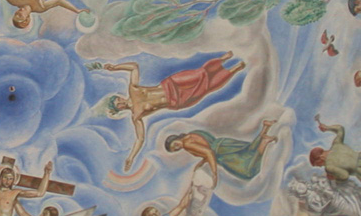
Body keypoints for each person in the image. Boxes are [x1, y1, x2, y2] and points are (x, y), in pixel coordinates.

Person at [89, 54, 245, 171]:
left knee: (200, 73)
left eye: (117, 100)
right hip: (177, 101)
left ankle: (223, 59)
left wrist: (115, 67)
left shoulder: (133, 90)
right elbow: (140, 139)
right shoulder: (136, 115)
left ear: (118, 97)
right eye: (118, 106)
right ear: (118, 110)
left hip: (172, 84)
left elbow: (134, 67)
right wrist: (131, 157)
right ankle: (235, 69)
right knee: (207, 87)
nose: (120, 103)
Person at [164, 119, 278, 185]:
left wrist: (214, 173)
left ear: (176, 138)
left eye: (175, 144)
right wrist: (202, 162)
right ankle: (265, 127)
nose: (178, 147)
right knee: (248, 150)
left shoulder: (187, 144)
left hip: (221, 153)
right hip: (222, 143)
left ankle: (264, 142)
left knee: (247, 172)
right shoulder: (190, 135)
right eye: (176, 150)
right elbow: (206, 146)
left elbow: (209, 152)